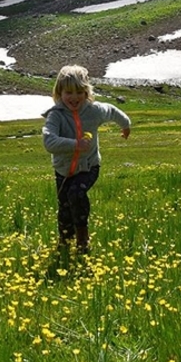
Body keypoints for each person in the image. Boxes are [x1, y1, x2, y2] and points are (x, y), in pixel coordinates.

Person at [42, 65, 131, 255]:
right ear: (59, 92)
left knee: (76, 194)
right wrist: (75, 144)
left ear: (86, 92)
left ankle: (83, 239)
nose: (74, 98)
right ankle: (65, 241)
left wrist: (126, 125)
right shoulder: (55, 116)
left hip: (89, 166)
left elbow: (112, 111)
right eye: (69, 93)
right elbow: (49, 141)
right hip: (63, 171)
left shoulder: (94, 111)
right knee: (64, 207)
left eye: (79, 92)